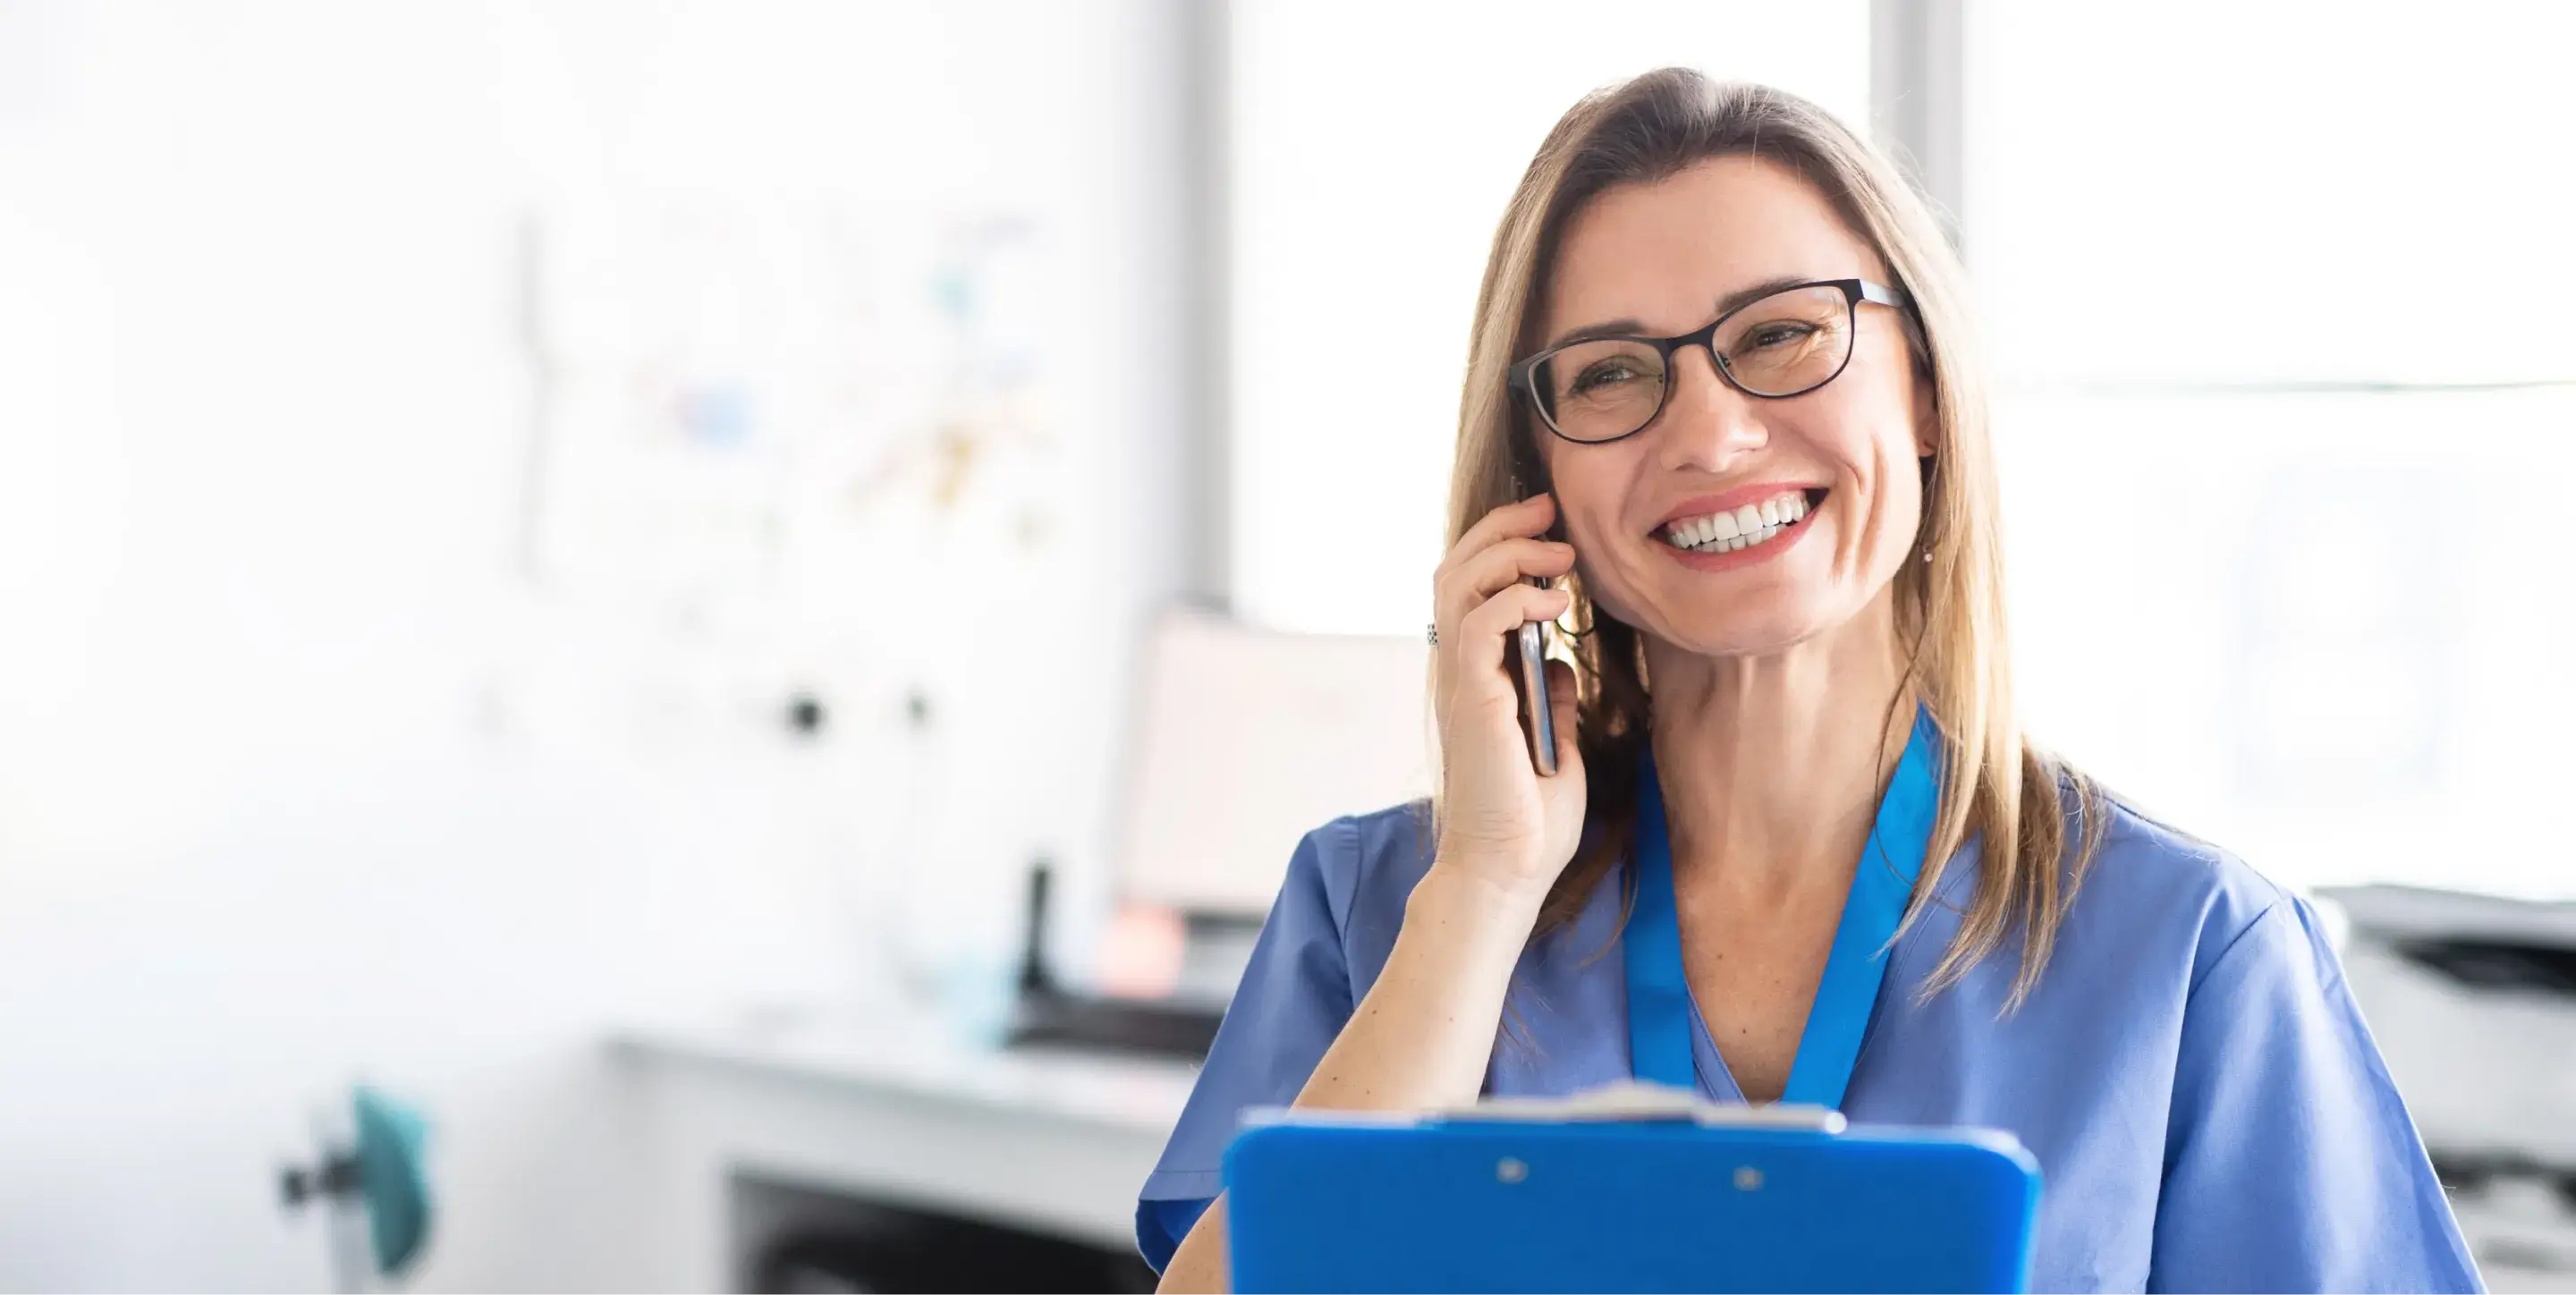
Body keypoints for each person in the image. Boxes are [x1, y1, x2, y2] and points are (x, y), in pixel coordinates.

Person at [1140, 70, 2482, 1293]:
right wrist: (1486, 891)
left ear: (1929, 392)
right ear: (1540, 479)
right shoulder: (1384, 911)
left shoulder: (2195, 958)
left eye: (1782, 335)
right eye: (1611, 374)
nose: (1712, 434)